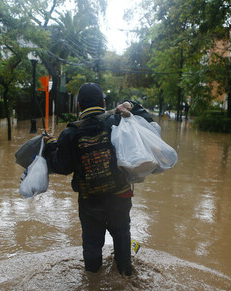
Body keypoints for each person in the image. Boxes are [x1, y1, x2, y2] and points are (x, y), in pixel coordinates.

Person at [42, 82, 153, 276]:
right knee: (122, 237)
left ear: (79, 106)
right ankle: (125, 273)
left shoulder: (70, 133)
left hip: (90, 201)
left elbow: (61, 166)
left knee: (92, 244)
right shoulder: (117, 121)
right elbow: (147, 122)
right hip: (120, 196)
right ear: (103, 102)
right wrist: (129, 105)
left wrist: (51, 144)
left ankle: (92, 282)